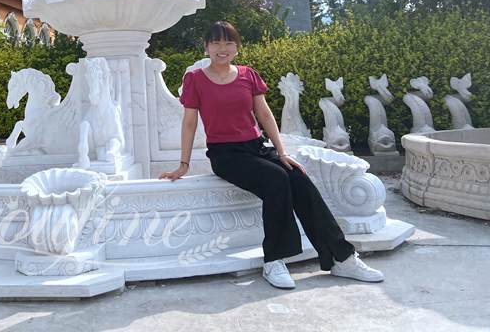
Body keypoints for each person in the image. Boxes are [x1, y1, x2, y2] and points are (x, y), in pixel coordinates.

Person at [159, 21, 383, 289]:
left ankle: (342, 258)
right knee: (276, 179)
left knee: (298, 177)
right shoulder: (195, 79)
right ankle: (274, 261)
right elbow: (189, 123)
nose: (223, 48)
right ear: (207, 46)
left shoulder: (248, 75)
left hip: (256, 147)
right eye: (216, 43)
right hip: (226, 155)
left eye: (229, 42)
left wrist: (282, 152)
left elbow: (264, 115)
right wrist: (183, 164)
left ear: (237, 48)